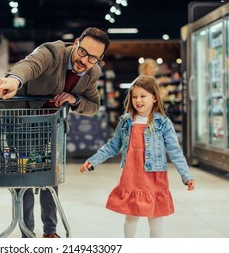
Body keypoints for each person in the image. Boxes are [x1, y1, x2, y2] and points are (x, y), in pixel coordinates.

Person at [0, 27, 111, 238]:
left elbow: (93, 105)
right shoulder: (53, 52)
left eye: (93, 57)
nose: (84, 60)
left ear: (99, 59)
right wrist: (14, 80)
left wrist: (74, 99)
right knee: (25, 175)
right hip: (22, 120)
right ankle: (26, 232)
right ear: (76, 43)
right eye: (83, 52)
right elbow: (29, 65)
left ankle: (50, 231)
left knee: (50, 176)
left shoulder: (92, 73)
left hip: (50, 125)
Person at [80, 75, 195, 238]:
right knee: (131, 217)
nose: (138, 100)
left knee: (155, 218)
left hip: (155, 177)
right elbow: (113, 145)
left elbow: (175, 151)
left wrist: (186, 175)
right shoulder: (126, 121)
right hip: (132, 176)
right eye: (134, 96)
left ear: (154, 97)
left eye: (143, 96)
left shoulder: (163, 123)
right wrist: (93, 161)